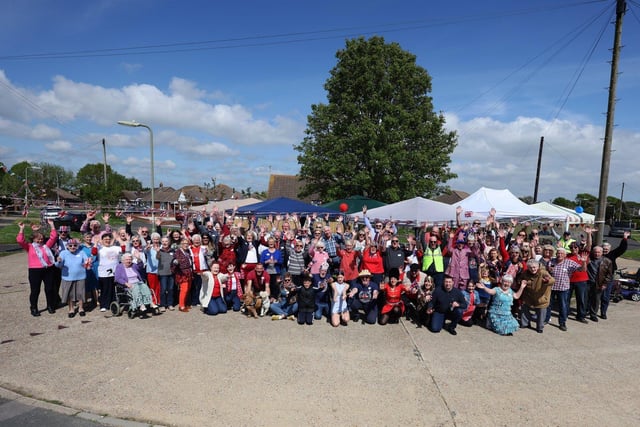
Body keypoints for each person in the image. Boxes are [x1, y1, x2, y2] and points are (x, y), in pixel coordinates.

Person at [17, 219, 58, 316]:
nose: (40, 240)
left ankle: (50, 305)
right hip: (35, 270)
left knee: (49, 289)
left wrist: (52, 225)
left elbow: (54, 237)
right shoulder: (29, 246)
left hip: (48, 269)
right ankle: (34, 307)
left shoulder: (46, 246)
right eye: (38, 239)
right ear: (33, 239)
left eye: (41, 238)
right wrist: (21, 229)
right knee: (35, 290)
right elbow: (20, 240)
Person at [545, 247, 586, 331]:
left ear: (565, 255)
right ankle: (546, 319)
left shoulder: (570, 262)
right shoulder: (552, 261)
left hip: (563, 288)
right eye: (558, 253)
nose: (559, 255)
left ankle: (562, 322)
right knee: (548, 305)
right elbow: (547, 271)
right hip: (551, 287)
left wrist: (584, 262)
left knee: (563, 306)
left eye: (561, 253)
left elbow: (582, 269)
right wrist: (549, 270)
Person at [56, 238, 91, 318]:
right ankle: (71, 309)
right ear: (67, 246)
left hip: (81, 276)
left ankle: (81, 308)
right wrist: (59, 261)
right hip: (68, 277)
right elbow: (58, 266)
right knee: (69, 294)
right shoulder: (63, 253)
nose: (73, 247)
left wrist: (88, 262)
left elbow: (86, 262)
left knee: (81, 293)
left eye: (75, 245)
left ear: (77, 246)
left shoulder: (81, 252)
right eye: (70, 245)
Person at [519, 259, 555, 333]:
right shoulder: (525, 273)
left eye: (534, 267)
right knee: (524, 308)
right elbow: (520, 279)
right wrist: (521, 281)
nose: (533, 269)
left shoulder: (543, 272)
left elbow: (552, 280)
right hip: (529, 296)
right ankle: (525, 323)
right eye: (530, 267)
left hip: (541, 297)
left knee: (541, 312)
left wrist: (547, 281)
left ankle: (540, 327)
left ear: (538, 266)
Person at [601, 231, 630, 319]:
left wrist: (625, 238)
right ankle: (591, 311)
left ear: (609, 249)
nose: (605, 250)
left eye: (607, 249)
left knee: (606, 296)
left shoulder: (613, 254)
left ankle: (603, 312)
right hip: (597, 277)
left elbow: (622, 248)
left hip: (609, 278)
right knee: (595, 295)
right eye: (604, 248)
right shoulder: (598, 254)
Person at [586, 246, 613, 322]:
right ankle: (584, 311)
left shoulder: (607, 261)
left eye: (598, 252)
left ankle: (593, 314)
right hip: (588, 282)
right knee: (586, 298)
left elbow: (609, 275)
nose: (596, 254)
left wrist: (605, 284)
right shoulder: (589, 259)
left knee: (596, 300)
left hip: (599, 283)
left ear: (602, 253)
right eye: (595, 252)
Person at [96, 233, 121, 313]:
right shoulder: (100, 248)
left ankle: (113, 303)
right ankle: (104, 305)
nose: (107, 241)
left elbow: (124, 250)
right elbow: (93, 253)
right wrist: (96, 243)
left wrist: (120, 240)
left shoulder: (115, 248)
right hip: (104, 273)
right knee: (105, 289)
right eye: (105, 239)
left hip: (115, 272)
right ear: (102, 240)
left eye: (109, 239)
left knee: (114, 289)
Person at [172, 238, 193, 312]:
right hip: (182, 273)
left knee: (188, 289)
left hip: (189, 272)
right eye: (184, 243)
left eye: (187, 243)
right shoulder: (178, 252)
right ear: (181, 244)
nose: (186, 245)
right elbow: (174, 261)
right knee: (184, 289)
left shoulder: (188, 251)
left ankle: (186, 303)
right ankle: (181, 306)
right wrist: (176, 262)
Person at [156, 236, 176, 311]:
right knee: (163, 289)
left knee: (171, 289)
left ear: (169, 242)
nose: (165, 243)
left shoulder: (172, 250)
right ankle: (163, 305)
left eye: (166, 241)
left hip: (171, 272)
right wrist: (158, 252)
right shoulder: (160, 251)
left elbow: (175, 258)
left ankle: (170, 304)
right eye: (163, 241)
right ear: (161, 242)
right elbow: (157, 257)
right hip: (163, 273)